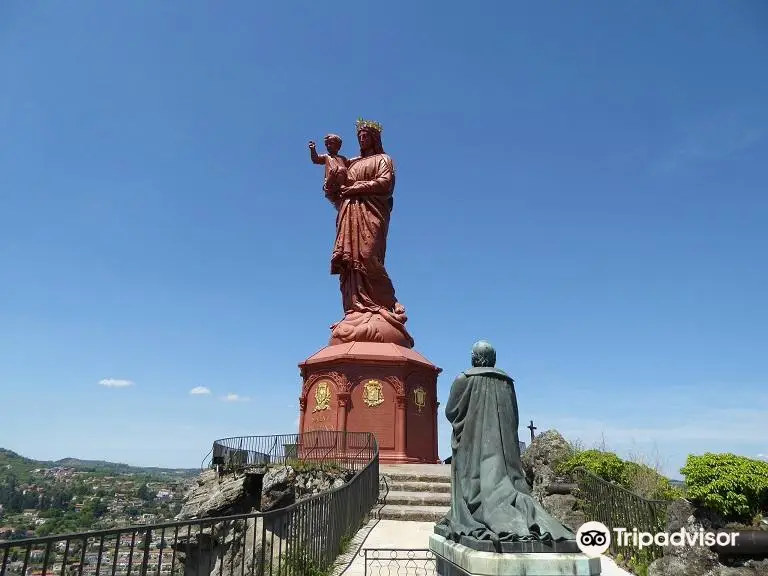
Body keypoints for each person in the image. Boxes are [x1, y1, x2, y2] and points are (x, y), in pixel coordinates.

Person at [435, 341, 577, 553]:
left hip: (471, 445)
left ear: (474, 357)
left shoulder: (463, 379)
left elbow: (452, 412)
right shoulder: (506, 382)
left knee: (474, 484)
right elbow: (514, 418)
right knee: (508, 487)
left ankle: (480, 512)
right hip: (503, 450)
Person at [325, 119, 413, 348]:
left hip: (372, 213)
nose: (362, 140)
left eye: (366, 136)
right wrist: (333, 185)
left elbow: (385, 184)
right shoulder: (351, 163)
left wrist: (355, 188)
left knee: (368, 256)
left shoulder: (384, 160)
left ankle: (390, 304)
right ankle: (356, 308)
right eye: (359, 137)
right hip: (349, 214)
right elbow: (337, 192)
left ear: (375, 138)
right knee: (350, 261)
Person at [308, 134, 349, 207]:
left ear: (338, 145)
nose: (328, 146)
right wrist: (313, 150)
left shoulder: (343, 158)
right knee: (340, 169)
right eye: (327, 144)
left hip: (341, 181)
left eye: (331, 143)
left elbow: (350, 165)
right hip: (331, 181)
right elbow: (316, 159)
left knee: (342, 170)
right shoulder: (327, 157)